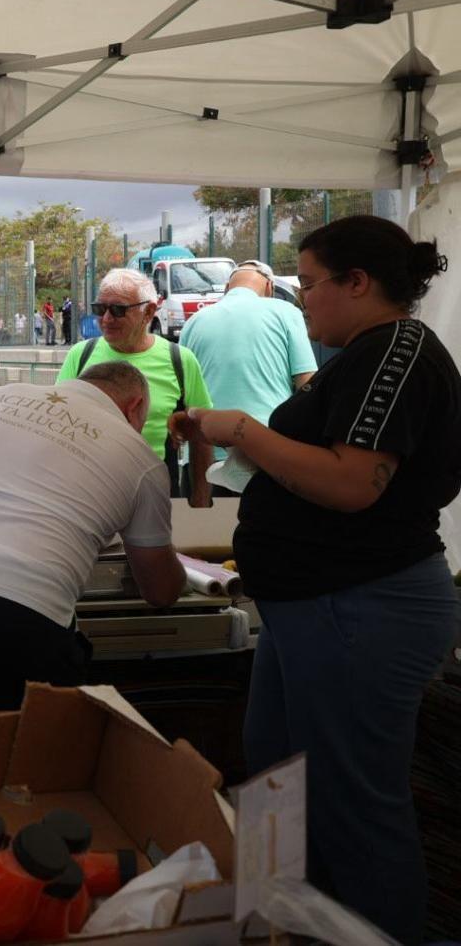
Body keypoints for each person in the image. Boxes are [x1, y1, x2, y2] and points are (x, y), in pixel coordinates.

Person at [170, 217, 460, 942]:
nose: (303, 305)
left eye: (310, 286)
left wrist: (241, 431)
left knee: (352, 802)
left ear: (356, 283)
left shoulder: (396, 351)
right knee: (276, 777)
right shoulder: (358, 357)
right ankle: (282, 924)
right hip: (312, 607)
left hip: (365, 605)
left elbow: (355, 480)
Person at [0, 363, 185, 713]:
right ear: (134, 406)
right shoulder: (141, 457)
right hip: (21, 614)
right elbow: (160, 591)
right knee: (34, 757)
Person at [56, 268, 213, 503]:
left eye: (118, 310)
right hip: (89, 488)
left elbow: (201, 433)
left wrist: (200, 497)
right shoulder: (81, 355)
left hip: (156, 488)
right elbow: (56, 421)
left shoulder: (179, 360)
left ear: (148, 311)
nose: (106, 319)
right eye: (100, 309)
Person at [177, 259, 315, 486]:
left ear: (227, 289)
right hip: (268, 452)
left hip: (207, 456)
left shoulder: (194, 322)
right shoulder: (286, 312)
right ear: (269, 288)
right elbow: (306, 383)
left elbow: (184, 393)